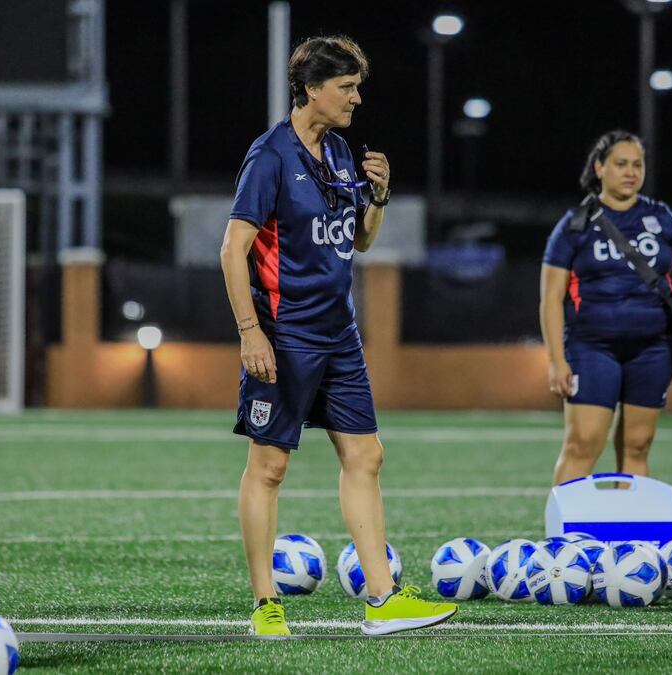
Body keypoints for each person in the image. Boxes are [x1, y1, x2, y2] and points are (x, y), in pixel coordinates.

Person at [218, 35, 456, 637]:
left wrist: (377, 196)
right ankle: (265, 605)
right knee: (270, 466)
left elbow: (359, 242)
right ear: (311, 89)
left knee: (365, 455)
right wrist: (251, 332)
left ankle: (383, 600)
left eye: (357, 87)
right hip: (284, 333)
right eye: (346, 87)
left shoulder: (344, 151)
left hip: (338, 335)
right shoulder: (269, 155)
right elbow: (232, 250)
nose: (356, 98)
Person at [540, 130, 672, 485]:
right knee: (583, 442)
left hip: (653, 348)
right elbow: (550, 297)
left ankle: (629, 535)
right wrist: (557, 360)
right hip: (591, 347)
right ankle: (565, 539)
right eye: (621, 164)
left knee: (637, 445)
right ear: (600, 168)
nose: (631, 172)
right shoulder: (574, 225)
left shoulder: (661, 218)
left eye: (637, 164)